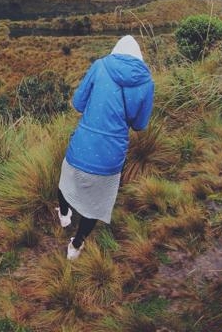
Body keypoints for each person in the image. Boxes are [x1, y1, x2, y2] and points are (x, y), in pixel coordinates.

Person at [57, 35, 154, 260]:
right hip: (112, 153)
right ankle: (76, 245)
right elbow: (139, 125)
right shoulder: (147, 82)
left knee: (65, 183)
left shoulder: (100, 66)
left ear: (116, 51)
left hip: (82, 145)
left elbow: (78, 103)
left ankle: (64, 215)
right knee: (95, 204)